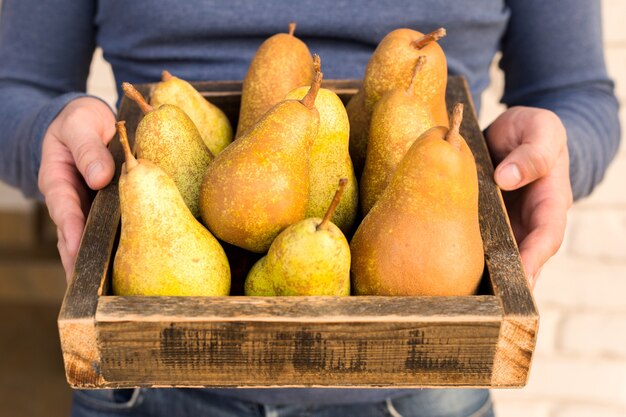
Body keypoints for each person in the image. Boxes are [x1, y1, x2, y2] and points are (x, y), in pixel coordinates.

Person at [0, 0, 620, 416]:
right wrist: (46, 132)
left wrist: (554, 151)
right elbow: (15, 88)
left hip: (423, 379)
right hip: (150, 373)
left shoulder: (396, 142)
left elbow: (575, 93)